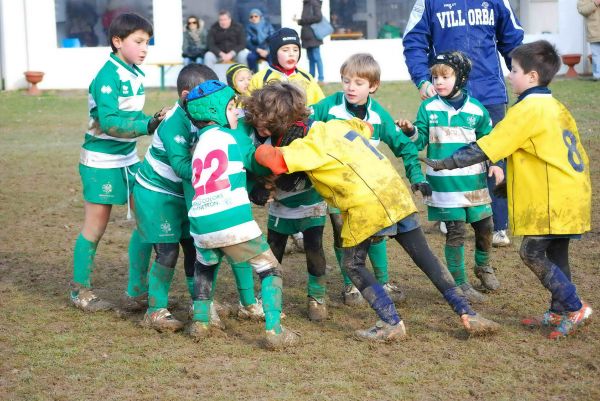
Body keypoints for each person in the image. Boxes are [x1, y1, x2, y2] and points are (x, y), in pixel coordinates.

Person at [247, 82, 500, 341]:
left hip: (366, 204)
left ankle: (391, 322)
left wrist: (255, 148)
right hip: (394, 193)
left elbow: (271, 158)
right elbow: (366, 127)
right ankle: (468, 313)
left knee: (353, 264)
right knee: (426, 258)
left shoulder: (307, 146)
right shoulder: (336, 124)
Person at [421, 40, 593, 339]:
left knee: (531, 252)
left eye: (513, 70)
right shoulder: (555, 105)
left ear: (532, 77)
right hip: (573, 193)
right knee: (555, 253)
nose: (509, 74)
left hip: (551, 198)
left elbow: (487, 146)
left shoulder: (528, 109)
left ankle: (576, 306)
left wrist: (445, 162)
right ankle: (558, 310)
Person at [132, 64, 265, 332]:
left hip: (187, 193)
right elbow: (183, 169)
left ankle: (199, 304)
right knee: (167, 252)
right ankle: (155, 309)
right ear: (185, 96)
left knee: (195, 249)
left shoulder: (208, 114)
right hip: (157, 194)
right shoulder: (172, 124)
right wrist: (209, 159)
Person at [184, 80, 299, 350]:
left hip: (200, 221)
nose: (236, 113)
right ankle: (275, 330)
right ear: (217, 111)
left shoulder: (200, 143)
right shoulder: (231, 137)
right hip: (230, 218)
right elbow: (256, 160)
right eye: (232, 107)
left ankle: (200, 322)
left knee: (205, 265)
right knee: (269, 267)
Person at [403, 0, 524, 247]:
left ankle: (499, 225)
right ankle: (451, 215)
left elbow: (513, 41)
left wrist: (524, 79)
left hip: (489, 93)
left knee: (495, 157)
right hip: (447, 96)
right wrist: (423, 80)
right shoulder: (428, 2)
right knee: (450, 154)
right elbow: (414, 41)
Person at [70, 13, 168, 312]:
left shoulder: (133, 72)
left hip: (128, 158)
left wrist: (154, 120)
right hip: (101, 161)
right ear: (117, 41)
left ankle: (135, 292)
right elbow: (110, 122)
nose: (144, 48)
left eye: (147, 42)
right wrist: (148, 125)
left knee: (147, 220)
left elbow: (131, 118)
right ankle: (79, 290)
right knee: (95, 227)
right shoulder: (107, 76)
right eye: (138, 41)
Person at [311, 53, 426, 306]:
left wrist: (416, 175)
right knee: (344, 234)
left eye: (359, 83)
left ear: (373, 86)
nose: (351, 87)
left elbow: (405, 147)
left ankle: (382, 281)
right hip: (337, 189)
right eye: (346, 81)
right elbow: (303, 126)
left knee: (376, 233)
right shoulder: (328, 107)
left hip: (370, 191)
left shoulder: (378, 115)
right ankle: (350, 286)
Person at [397, 51, 504, 301]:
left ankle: (483, 266)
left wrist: (496, 163)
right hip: (443, 186)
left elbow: (490, 141)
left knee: (485, 226)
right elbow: (420, 140)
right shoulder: (428, 108)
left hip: (474, 183)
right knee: (455, 232)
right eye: (435, 77)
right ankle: (461, 284)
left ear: (461, 77)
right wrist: (411, 130)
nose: (439, 82)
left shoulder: (477, 110)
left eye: (445, 76)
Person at [248, 28, 324, 106]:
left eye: (295, 50)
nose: (291, 54)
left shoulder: (307, 77)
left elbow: (322, 106)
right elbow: (247, 108)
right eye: (285, 50)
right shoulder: (259, 79)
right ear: (275, 53)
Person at [296, 0, 325, 84]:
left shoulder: (314, 3)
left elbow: (318, 17)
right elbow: (306, 21)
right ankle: (311, 77)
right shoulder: (306, 3)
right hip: (306, 36)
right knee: (310, 58)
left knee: (316, 57)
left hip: (313, 35)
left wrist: (303, 21)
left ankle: (321, 78)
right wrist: (300, 21)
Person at [578, 0, 600, 80]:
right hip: (594, 31)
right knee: (596, 55)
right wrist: (595, 3)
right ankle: (597, 76)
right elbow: (582, 10)